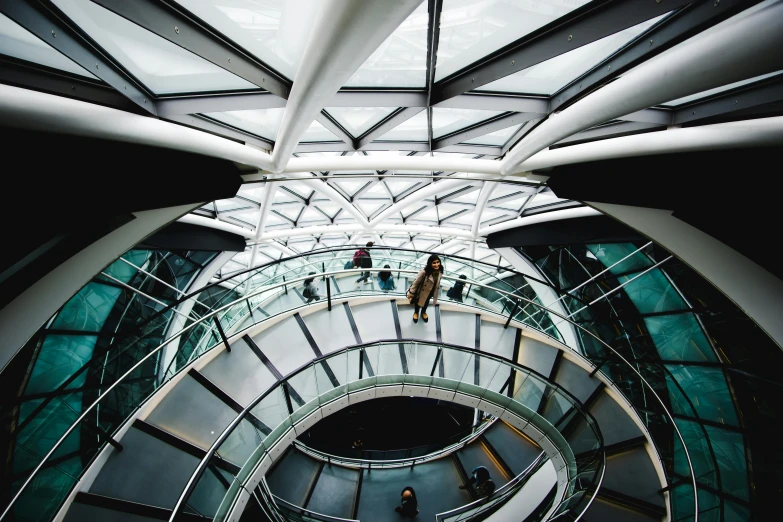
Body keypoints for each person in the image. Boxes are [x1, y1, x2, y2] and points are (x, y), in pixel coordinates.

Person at [407, 254, 443, 323]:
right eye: (434, 263)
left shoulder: (440, 271)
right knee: (418, 302)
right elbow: (416, 283)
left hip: (431, 291)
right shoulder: (424, 272)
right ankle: (416, 313)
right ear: (430, 263)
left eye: (438, 262)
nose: (436, 264)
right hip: (422, 291)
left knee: (426, 302)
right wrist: (411, 293)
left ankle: (423, 312)